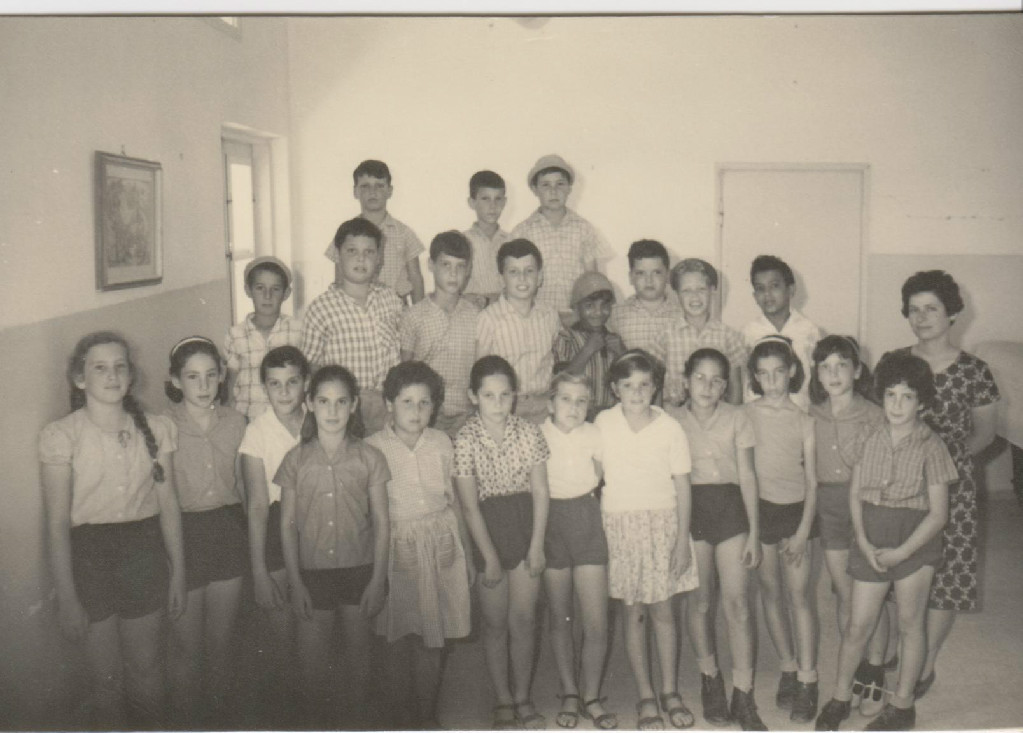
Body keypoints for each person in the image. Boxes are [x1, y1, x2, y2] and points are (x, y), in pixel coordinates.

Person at [39, 332, 184, 728]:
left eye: (120, 366)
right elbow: (57, 524)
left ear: (131, 375)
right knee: (106, 679)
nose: (112, 375)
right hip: (89, 559)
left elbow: (169, 506)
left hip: (143, 553)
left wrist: (178, 572)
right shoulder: (61, 436)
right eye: (99, 368)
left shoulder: (156, 429)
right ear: (79, 378)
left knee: (146, 668)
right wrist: (67, 597)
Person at [816, 352, 957, 732]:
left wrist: (903, 552)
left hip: (915, 540)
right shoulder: (869, 435)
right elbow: (855, 493)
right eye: (891, 395)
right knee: (857, 625)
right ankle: (840, 696)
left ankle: (903, 705)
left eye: (907, 397)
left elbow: (938, 515)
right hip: (872, 535)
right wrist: (862, 541)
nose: (897, 405)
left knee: (910, 624)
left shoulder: (932, 446)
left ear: (922, 402)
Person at [883, 270, 1000, 700]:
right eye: (914, 309)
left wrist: (941, 465)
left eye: (931, 308)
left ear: (951, 313)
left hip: (951, 485)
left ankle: (926, 660)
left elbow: (985, 434)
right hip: (898, 483)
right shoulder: (894, 362)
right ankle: (904, 646)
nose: (922, 317)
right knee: (900, 567)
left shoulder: (975, 371)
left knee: (947, 575)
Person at [276, 365, 390, 728]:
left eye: (341, 402)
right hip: (312, 574)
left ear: (354, 405)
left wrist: (378, 580)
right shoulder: (295, 459)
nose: (333, 410)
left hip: (360, 571)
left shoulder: (370, 457)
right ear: (310, 403)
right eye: (324, 401)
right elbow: (287, 525)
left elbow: (383, 522)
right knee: (312, 664)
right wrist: (295, 582)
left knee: (359, 659)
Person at [595, 349, 699, 731]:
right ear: (614, 389)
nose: (636, 393)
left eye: (643, 385)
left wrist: (681, 541)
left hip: (662, 527)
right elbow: (591, 475)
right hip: (620, 528)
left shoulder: (670, 427)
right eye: (628, 385)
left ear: (655, 387)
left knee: (663, 612)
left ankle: (670, 691)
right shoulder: (604, 423)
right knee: (633, 612)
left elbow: (683, 487)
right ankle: (645, 695)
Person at [365, 361, 472, 729]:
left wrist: (468, 557)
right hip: (395, 549)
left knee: (432, 636)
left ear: (435, 406)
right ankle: (401, 716)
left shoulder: (441, 442)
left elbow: (456, 502)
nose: (416, 411)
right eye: (406, 402)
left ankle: (427, 714)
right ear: (389, 404)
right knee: (396, 635)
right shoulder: (373, 448)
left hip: (440, 545)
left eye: (424, 402)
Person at [668, 349, 766, 731]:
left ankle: (743, 692)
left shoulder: (737, 417)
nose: (707, 387)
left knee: (738, 603)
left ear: (726, 385)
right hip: (690, 509)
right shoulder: (671, 419)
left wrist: (754, 532)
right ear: (686, 380)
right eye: (700, 378)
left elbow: (748, 475)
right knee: (700, 601)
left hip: (729, 508)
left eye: (717, 380)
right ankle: (710, 677)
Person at [453, 356, 550, 730]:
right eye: (488, 395)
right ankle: (503, 699)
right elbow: (468, 505)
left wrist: (537, 545)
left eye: (505, 395)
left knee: (523, 620)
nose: (497, 403)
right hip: (487, 532)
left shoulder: (529, 432)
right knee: (494, 624)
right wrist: (489, 557)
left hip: (524, 527)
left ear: (515, 395)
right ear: (473, 396)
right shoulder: (465, 439)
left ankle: (523, 696)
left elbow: (540, 492)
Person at [163, 337, 248, 727]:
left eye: (211, 375)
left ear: (222, 376)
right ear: (175, 381)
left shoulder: (236, 422)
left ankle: (218, 718)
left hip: (227, 530)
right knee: (186, 645)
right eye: (192, 377)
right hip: (183, 535)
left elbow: (243, 485)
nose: (203, 385)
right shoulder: (163, 425)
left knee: (222, 642)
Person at [808, 335, 889, 717]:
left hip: (868, 507)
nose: (834, 373)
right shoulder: (813, 414)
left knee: (870, 593)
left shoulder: (874, 415)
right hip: (831, 508)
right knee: (844, 593)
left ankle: (875, 670)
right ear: (817, 374)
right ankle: (854, 668)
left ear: (857, 371)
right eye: (825, 367)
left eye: (842, 365)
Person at [745, 335, 820, 722]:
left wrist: (804, 530)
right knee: (770, 592)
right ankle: (788, 667)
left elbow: (813, 482)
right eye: (764, 374)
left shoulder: (804, 419)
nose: (772, 381)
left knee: (799, 596)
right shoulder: (746, 414)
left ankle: (808, 679)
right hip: (760, 514)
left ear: (791, 372)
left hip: (796, 514)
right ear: (755, 377)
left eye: (778, 372)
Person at [540, 370, 617, 730]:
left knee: (596, 619)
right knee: (560, 616)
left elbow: (600, 475)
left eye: (581, 401)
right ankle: (570, 692)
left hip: (586, 519)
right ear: (550, 402)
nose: (573, 407)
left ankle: (592, 695)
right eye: (565, 399)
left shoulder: (594, 434)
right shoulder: (538, 435)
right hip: (550, 521)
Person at [238, 345, 309, 724]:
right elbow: (256, 506)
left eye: (292, 382)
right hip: (275, 532)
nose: (284, 391)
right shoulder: (256, 432)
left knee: (315, 627)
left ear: (305, 383)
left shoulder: (320, 418)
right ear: (264, 387)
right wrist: (259, 573)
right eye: (275, 384)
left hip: (318, 529)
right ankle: (287, 713)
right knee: (282, 632)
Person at [301, 217, 404, 436]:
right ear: (337, 255)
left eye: (369, 252)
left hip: (386, 406)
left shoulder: (392, 300)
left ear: (379, 257)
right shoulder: (321, 308)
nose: (361, 259)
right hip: (343, 408)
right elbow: (310, 368)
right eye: (352, 251)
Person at [510, 154, 613, 321]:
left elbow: (592, 281)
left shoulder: (584, 229)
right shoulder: (522, 232)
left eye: (560, 184)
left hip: (576, 318)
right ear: (535, 189)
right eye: (546, 185)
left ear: (569, 189)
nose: (553, 191)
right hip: (535, 319)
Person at [399, 230, 480, 439]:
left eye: (460, 266)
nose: (453, 274)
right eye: (446, 265)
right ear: (431, 265)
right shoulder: (413, 316)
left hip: (466, 415)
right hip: (426, 416)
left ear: (469, 270)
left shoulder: (476, 316)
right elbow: (404, 373)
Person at [476, 238, 561, 425]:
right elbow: (480, 373)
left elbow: (554, 358)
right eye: (513, 272)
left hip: (543, 405)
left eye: (529, 271)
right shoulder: (488, 319)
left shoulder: (550, 315)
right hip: (506, 407)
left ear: (540, 276)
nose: (522, 278)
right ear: (501, 279)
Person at [322, 159, 425, 302]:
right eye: (365, 186)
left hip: (397, 306)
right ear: (355, 192)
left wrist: (419, 312)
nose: (373, 192)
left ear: (390, 191)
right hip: (356, 307)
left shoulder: (404, 233)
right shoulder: (346, 233)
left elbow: (415, 278)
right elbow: (340, 278)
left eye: (379, 186)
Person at [653, 258, 746, 407]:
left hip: (716, 415)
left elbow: (735, 389)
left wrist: (731, 417)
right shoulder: (664, 335)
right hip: (674, 414)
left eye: (701, 289)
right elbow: (655, 384)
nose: (695, 297)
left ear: (712, 290)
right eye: (687, 291)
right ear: (677, 294)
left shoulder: (729, 337)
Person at [223, 256, 303, 420]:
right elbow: (231, 384)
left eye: (275, 289)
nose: (267, 296)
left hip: (287, 419)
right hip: (246, 418)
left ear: (286, 293)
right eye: (260, 288)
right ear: (248, 290)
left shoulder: (299, 330)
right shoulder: (235, 334)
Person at [741, 255, 822, 410]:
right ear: (754, 296)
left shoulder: (809, 330)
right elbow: (743, 380)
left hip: (798, 412)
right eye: (760, 288)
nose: (767, 294)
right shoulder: (748, 332)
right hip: (757, 414)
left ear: (790, 290)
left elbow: (816, 382)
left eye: (774, 286)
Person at [554, 271, 625, 419]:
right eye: (589, 306)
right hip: (577, 414)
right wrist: (587, 350)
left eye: (604, 305)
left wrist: (622, 353)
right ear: (576, 308)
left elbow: (630, 376)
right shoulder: (566, 338)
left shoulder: (614, 338)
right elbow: (561, 381)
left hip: (611, 415)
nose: (598, 312)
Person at [608, 239, 683, 354]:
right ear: (631, 277)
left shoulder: (682, 315)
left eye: (656, 272)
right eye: (641, 273)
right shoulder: (615, 314)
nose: (649, 280)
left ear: (668, 275)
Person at [462, 170, 510, 309]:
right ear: (472, 203)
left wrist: (490, 299)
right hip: (471, 313)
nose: (492, 206)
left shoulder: (512, 242)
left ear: (504, 202)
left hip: (505, 314)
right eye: (485, 199)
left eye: (498, 199)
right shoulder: (462, 242)